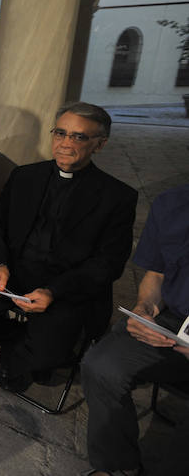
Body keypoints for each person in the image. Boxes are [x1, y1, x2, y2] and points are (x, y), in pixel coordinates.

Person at [0, 102, 137, 392]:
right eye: (60, 133)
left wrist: (54, 291)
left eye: (78, 137)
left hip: (66, 286)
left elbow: (108, 263)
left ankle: (25, 352)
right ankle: (18, 337)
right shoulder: (25, 176)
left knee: (51, 354)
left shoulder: (118, 196)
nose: (65, 144)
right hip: (14, 272)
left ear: (100, 145)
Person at [80, 185, 189, 476]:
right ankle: (117, 467)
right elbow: (156, 273)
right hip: (176, 323)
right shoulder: (172, 203)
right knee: (102, 365)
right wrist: (145, 308)